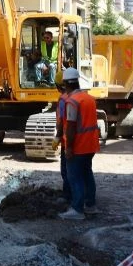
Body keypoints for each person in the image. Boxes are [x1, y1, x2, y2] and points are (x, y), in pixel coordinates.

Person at [59, 67, 100, 220]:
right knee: (87, 174)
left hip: (79, 146)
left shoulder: (72, 101)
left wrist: (68, 147)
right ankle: (90, 206)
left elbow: (70, 126)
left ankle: (77, 209)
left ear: (65, 84)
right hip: (90, 145)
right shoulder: (88, 98)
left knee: (74, 176)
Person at [51, 70, 71, 204]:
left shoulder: (63, 100)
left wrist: (58, 137)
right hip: (84, 143)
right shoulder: (83, 97)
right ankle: (86, 198)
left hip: (69, 142)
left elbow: (62, 120)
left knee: (67, 171)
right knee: (83, 172)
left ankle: (68, 197)